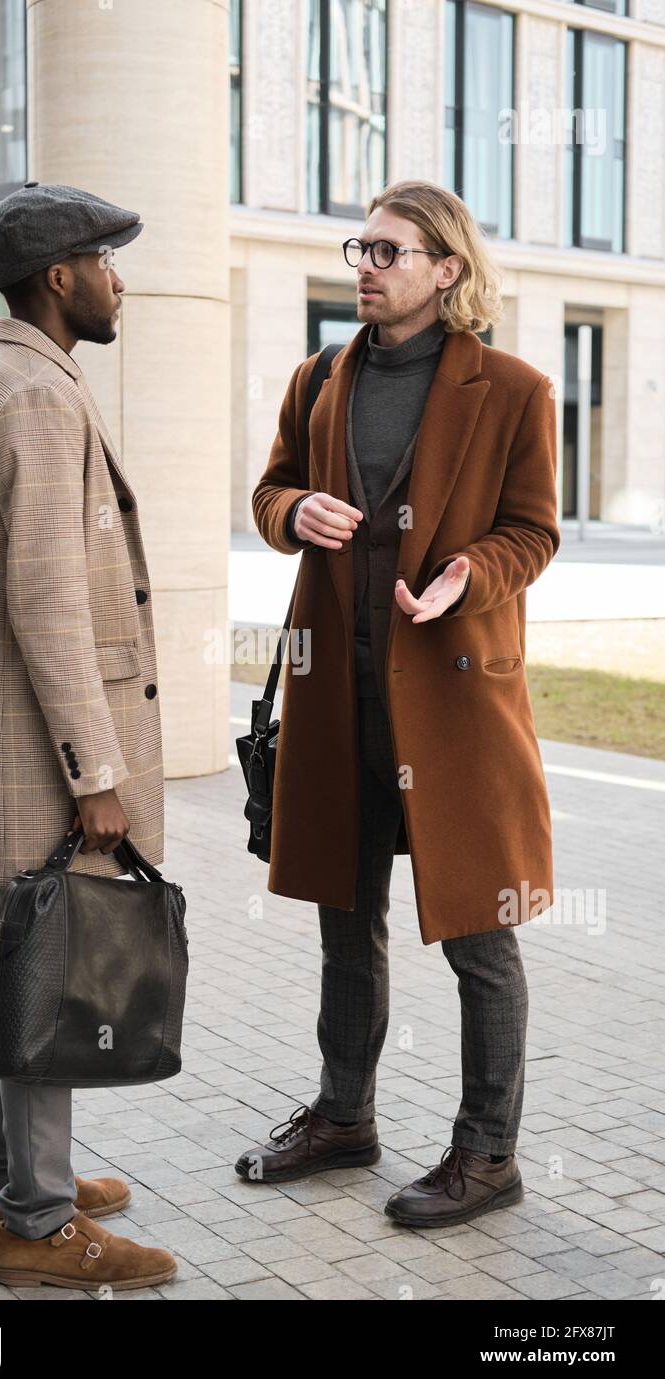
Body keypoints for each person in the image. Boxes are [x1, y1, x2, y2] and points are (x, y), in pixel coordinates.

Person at [237, 179, 560, 1227]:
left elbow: (532, 531)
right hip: (338, 699)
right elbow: (269, 491)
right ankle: (345, 1119)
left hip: (455, 705)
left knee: (479, 932)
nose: (364, 267)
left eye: (387, 251)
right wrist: (294, 510)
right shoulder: (319, 376)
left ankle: (487, 1154)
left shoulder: (512, 389)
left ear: (445, 269)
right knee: (345, 918)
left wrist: (470, 572)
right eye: (359, 249)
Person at [0, 181, 176, 1289]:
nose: (120, 281)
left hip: (18, 745)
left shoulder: (19, 375)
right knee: (47, 969)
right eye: (106, 261)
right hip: (40, 755)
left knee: (18, 958)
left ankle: (8, 1180)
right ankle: (38, 1221)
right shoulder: (31, 391)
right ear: (59, 277)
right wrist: (95, 771)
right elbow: (48, 600)